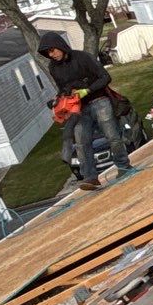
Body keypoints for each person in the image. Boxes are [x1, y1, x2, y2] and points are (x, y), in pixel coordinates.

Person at [38, 30, 136, 189]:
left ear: (60, 45)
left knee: (112, 136)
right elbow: (62, 88)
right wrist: (58, 100)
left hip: (99, 101)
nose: (52, 54)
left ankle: (124, 167)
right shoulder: (53, 67)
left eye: (53, 50)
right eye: (48, 53)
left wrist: (88, 90)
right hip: (78, 108)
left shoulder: (82, 57)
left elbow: (105, 77)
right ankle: (90, 178)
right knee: (82, 143)